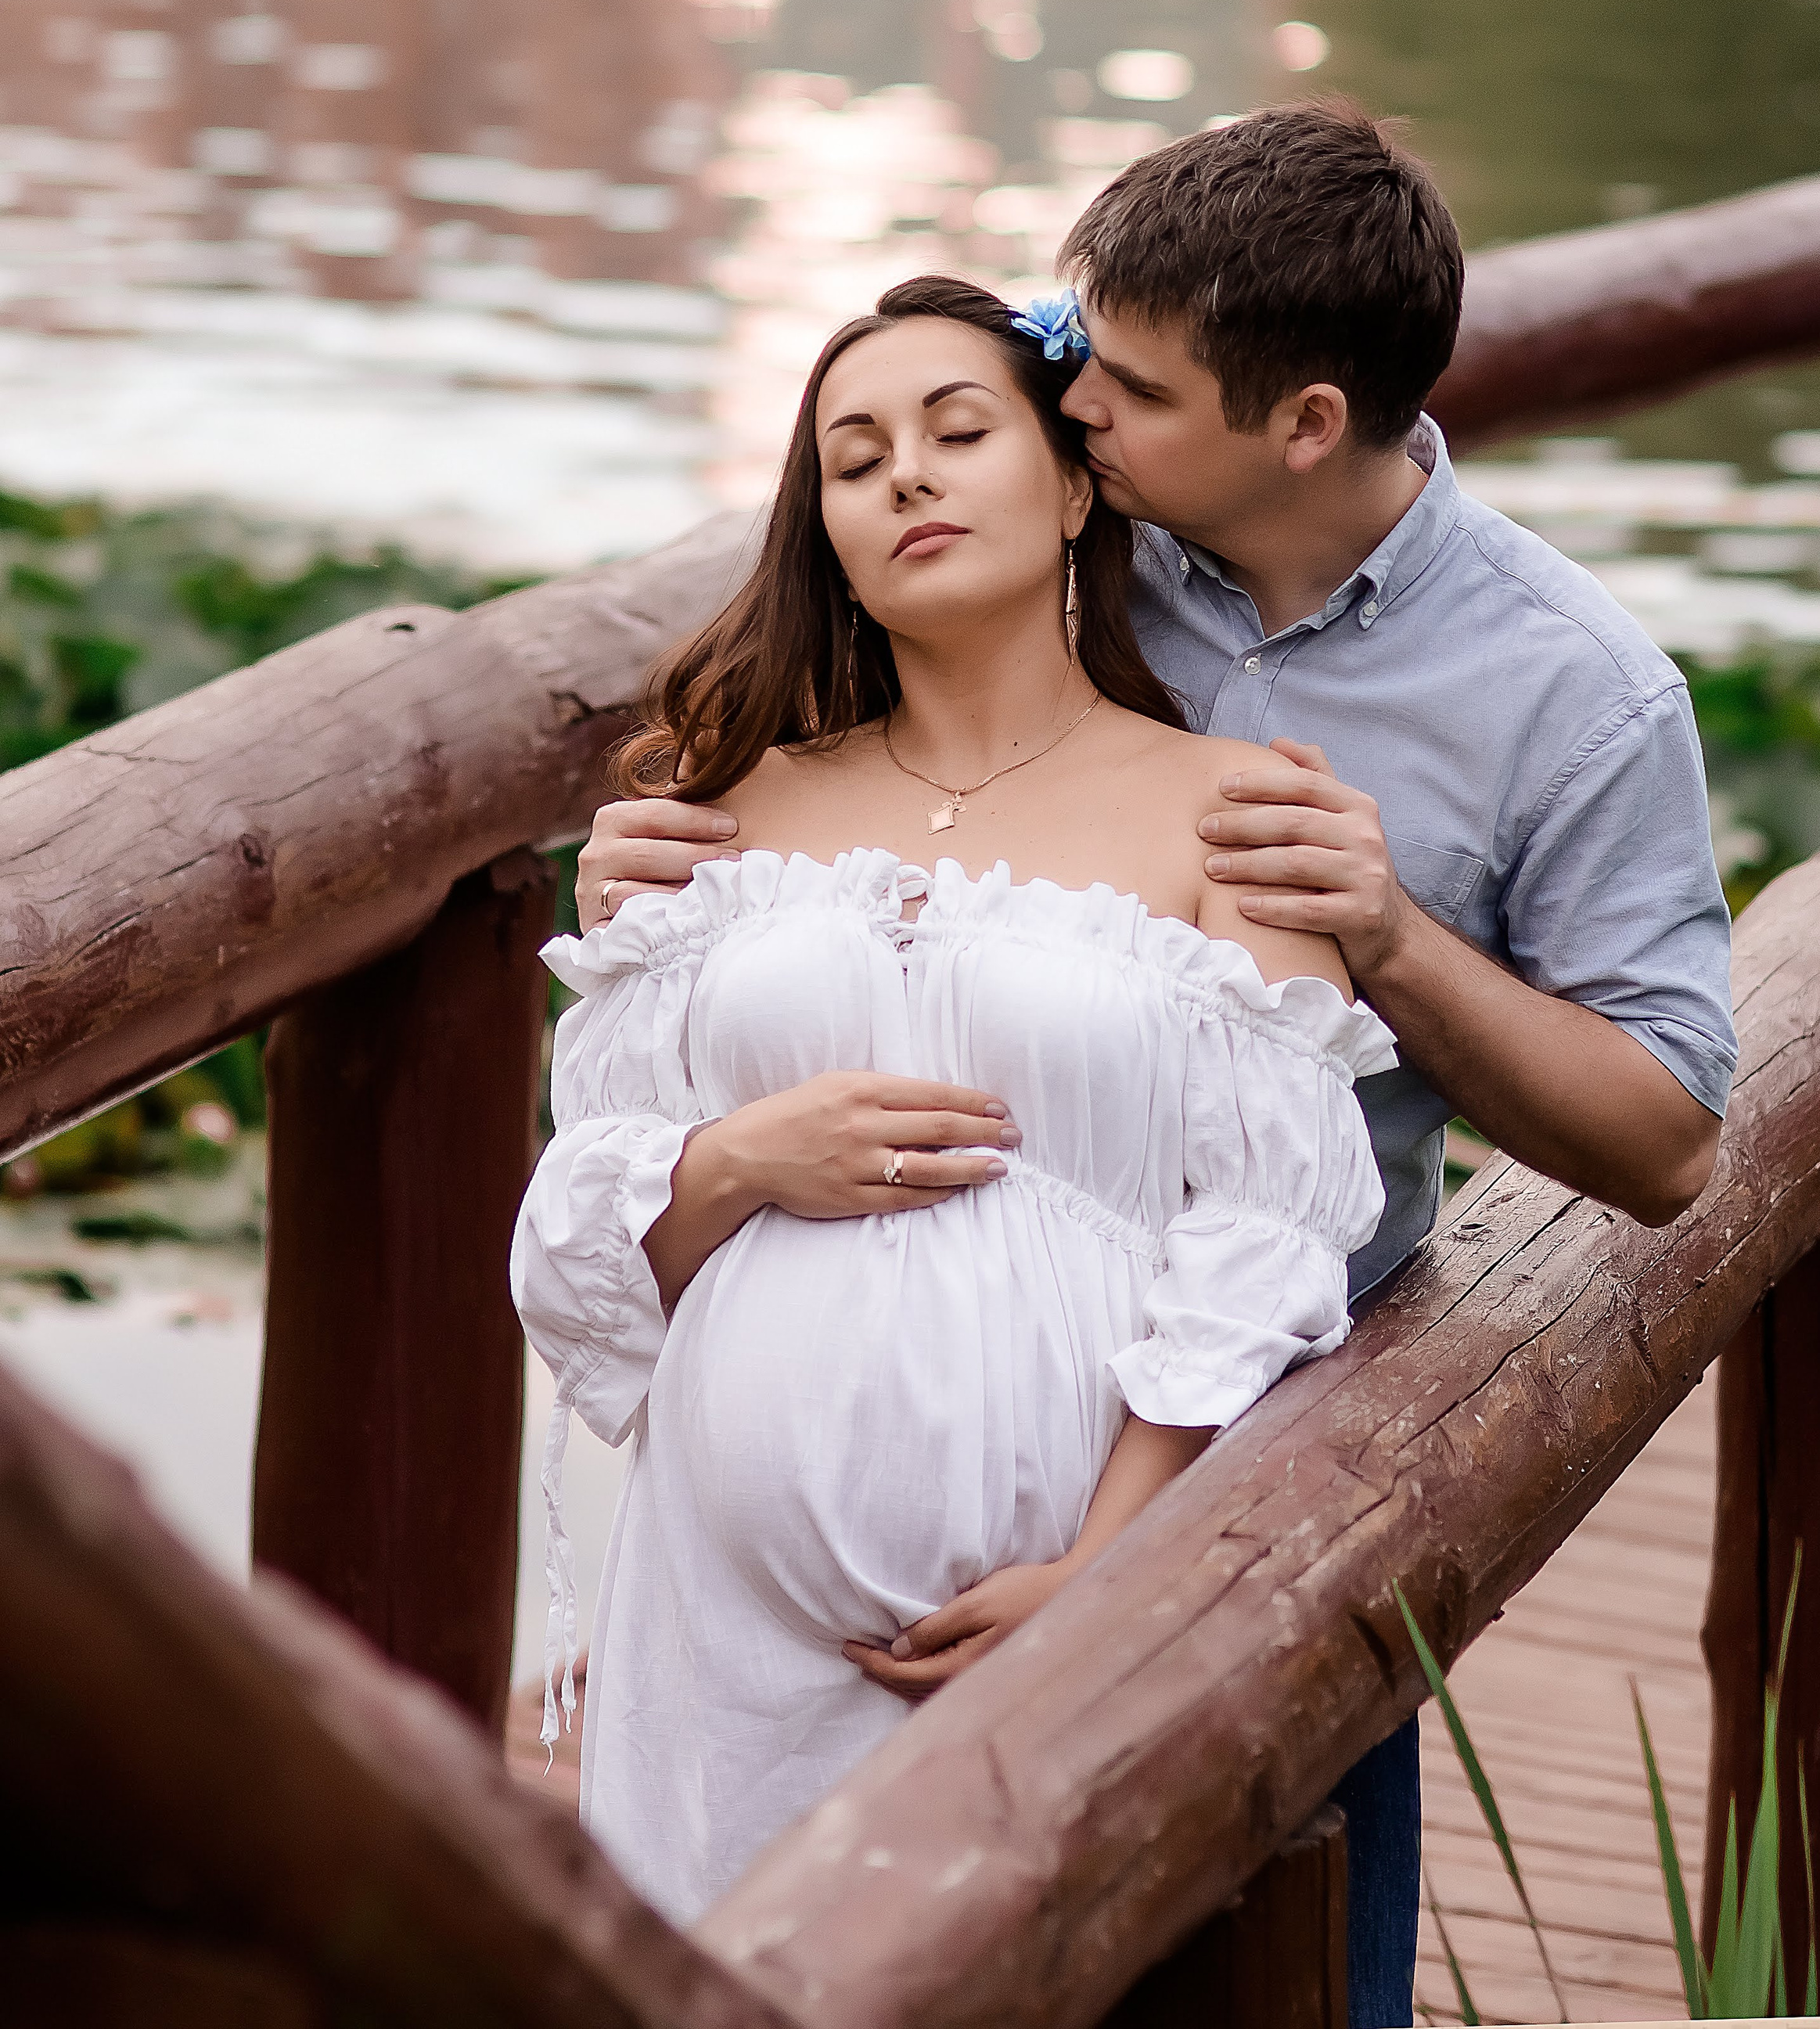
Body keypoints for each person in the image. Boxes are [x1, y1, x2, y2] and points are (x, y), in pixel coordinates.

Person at [577, 99, 1739, 2024]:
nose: (1069, 405)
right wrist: (653, 859)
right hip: (783, 1532)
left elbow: (1669, 1143)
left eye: (1116, 389)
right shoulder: (1065, 474)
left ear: (1299, 424)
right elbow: (882, 516)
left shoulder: (1570, 692)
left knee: (1268, 1940)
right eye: (1068, 367)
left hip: (1277, 1410)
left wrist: (1388, 937)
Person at [514, 273, 1398, 1924]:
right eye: (853, 460)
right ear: (827, 536)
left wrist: (1108, 1568)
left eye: (955, 430)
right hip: (722, 1630)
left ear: (1073, 485)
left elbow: (1268, 1229)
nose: (904, 476)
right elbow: (583, 1227)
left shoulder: (1237, 812)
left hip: (1066, 1609)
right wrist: (740, 1159)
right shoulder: (711, 815)